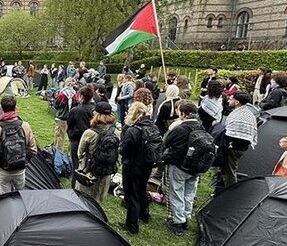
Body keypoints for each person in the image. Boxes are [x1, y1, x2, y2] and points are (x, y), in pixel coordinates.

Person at [162, 100, 206, 236]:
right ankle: (186, 217)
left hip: (179, 165)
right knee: (189, 194)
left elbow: (166, 141)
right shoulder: (201, 127)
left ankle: (178, 222)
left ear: (184, 114)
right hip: (196, 166)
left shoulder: (181, 128)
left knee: (176, 193)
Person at [119, 101, 161, 234]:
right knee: (142, 190)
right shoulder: (153, 127)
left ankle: (132, 225)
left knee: (132, 195)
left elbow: (123, 149)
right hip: (147, 165)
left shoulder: (134, 130)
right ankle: (144, 215)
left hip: (133, 164)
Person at [0, 94, 38, 194]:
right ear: (15, 107)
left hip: (3, 170)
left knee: (5, 199)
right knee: (20, 195)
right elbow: (33, 150)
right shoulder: (25, 126)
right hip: (20, 170)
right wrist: (24, 161)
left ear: (1, 108)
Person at [75, 101, 118, 204]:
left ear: (96, 114)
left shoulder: (90, 133)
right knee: (98, 200)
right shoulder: (116, 132)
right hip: (105, 172)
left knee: (84, 199)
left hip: (89, 171)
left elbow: (79, 153)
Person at [220, 92, 258, 188]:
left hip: (234, 146)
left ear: (237, 102)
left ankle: (230, 190)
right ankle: (223, 184)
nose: (229, 100)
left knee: (230, 170)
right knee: (229, 167)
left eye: (231, 99)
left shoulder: (237, 115)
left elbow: (230, 132)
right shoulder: (249, 114)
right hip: (242, 146)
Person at [67, 85, 96, 177]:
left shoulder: (76, 110)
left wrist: (71, 135)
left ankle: (75, 184)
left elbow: (69, 124)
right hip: (92, 140)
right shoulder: (95, 109)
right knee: (88, 162)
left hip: (77, 139)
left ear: (82, 96)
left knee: (76, 164)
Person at [53, 79, 76, 150]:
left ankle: (58, 151)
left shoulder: (62, 94)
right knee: (65, 134)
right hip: (70, 117)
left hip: (62, 116)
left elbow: (56, 105)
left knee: (59, 135)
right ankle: (55, 147)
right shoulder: (74, 94)